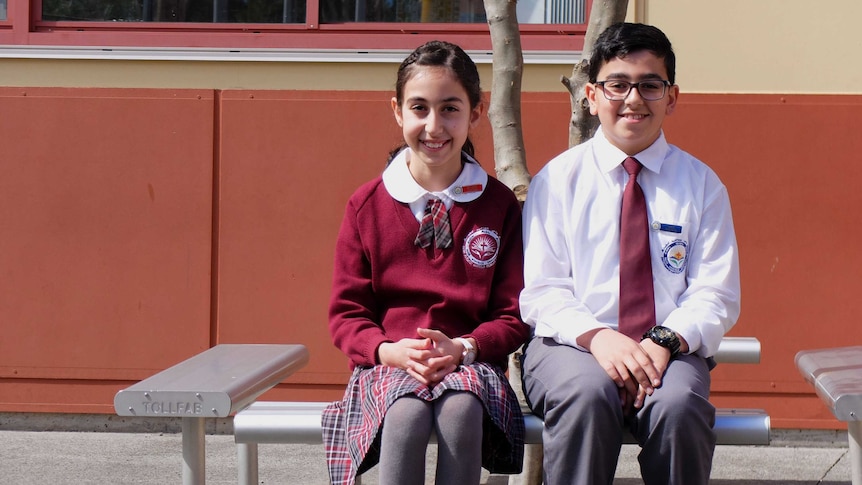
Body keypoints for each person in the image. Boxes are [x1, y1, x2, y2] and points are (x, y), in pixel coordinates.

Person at [519, 22, 741, 485]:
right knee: (585, 395)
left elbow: (714, 293)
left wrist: (663, 341)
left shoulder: (701, 186)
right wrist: (599, 337)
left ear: (672, 96)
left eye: (650, 85)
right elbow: (543, 291)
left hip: (669, 352)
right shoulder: (556, 182)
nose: (634, 99)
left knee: (679, 408)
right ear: (591, 95)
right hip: (572, 346)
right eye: (617, 84)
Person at [321, 40, 530, 485]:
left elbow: (513, 314)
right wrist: (387, 350)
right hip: (388, 362)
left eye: (450, 109)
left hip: (471, 361)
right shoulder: (366, 205)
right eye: (420, 108)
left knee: (460, 411)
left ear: (475, 113)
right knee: (406, 414)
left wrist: (465, 347)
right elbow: (347, 313)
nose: (434, 126)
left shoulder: (498, 205)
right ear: (398, 111)